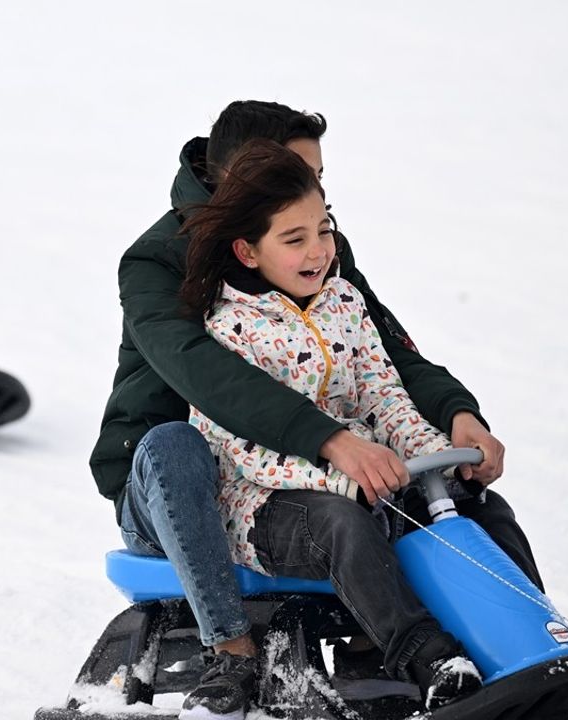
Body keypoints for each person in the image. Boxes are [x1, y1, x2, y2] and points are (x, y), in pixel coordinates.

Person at [89, 101, 542, 719]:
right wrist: (336, 448)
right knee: (178, 445)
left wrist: (456, 420)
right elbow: (211, 381)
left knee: (462, 501)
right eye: (296, 175)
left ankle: (537, 648)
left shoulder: (317, 248)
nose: (314, 197)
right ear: (240, 183)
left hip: (322, 473)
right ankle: (234, 651)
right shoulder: (161, 262)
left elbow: (385, 360)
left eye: (319, 185)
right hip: (186, 487)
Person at [184, 138, 489, 710]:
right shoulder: (229, 331)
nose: (318, 250)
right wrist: (340, 477)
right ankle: (427, 659)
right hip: (266, 506)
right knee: (344, 525)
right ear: (249, 253)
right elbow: (246, 452)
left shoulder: (344, 300)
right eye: (294, 239)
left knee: (476, 506)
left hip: (371, 478)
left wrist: (436, 455)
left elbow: (383, 395)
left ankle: (541, 640)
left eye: (323, 230)